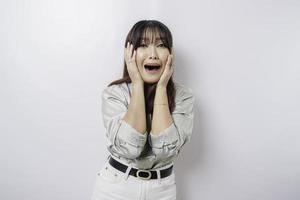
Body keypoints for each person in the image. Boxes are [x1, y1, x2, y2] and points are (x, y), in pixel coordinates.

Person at [90, 19, 195, 200]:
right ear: (130, 52)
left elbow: (165, 150)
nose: (153, 54)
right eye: (143, 45)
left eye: (161, 45)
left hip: (162, 190)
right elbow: (130, 149)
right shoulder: (114, 94)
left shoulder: (183, 96)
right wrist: (137, 83)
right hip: (115, 188)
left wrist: (162, 88)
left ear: (170, 54)